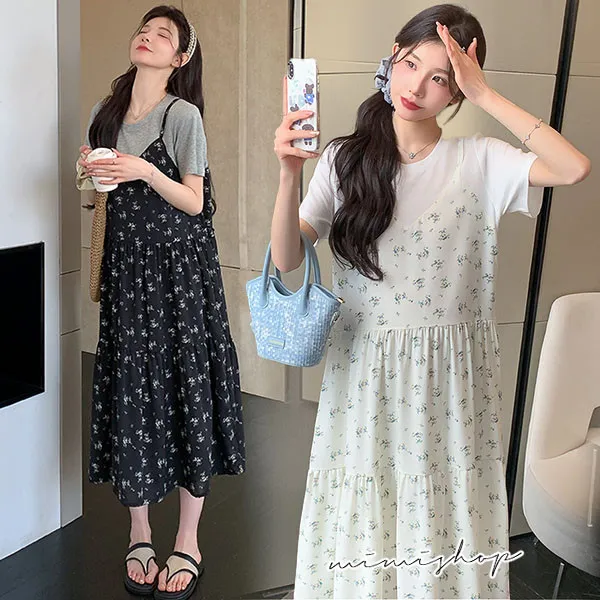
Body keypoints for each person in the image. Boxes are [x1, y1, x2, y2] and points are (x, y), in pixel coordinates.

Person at [271, 4, 590, 598]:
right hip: (364, 371)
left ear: (457, 91)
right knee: (369, 504)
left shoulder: (480, 161)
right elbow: (288, 259)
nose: (417, 86)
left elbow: (573, 168)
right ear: (392, 58)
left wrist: (486, 94)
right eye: (411, 63)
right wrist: (289, 174)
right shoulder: (343, 160)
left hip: (450, 381)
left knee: (442, 507)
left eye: (441, 77)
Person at [78, 5, 245, 598]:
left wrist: (143, 170)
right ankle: (140, 532)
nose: (147, 37)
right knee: (133, 390)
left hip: (179, 277)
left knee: (187, 389)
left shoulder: (182, 115)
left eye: (163, 34)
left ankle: (188, 540)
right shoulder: (106, 113)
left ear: (180, 57)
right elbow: (97, 195)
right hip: (128, 273)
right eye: (144, 29)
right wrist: (91, 172)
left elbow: (195, 201)